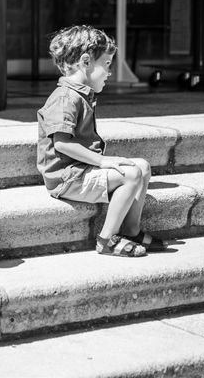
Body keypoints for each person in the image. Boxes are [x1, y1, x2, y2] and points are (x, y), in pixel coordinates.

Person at [37, 25, 166, 257]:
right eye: (106, 65)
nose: (110, 73)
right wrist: (102, 161)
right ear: (86, 62)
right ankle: (107, 239)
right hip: (67, 178)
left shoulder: (80, 93)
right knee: (132, 175)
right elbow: (62, 144)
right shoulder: (65, 98)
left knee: (143, 167)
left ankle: (131, 229)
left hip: (80, 170)